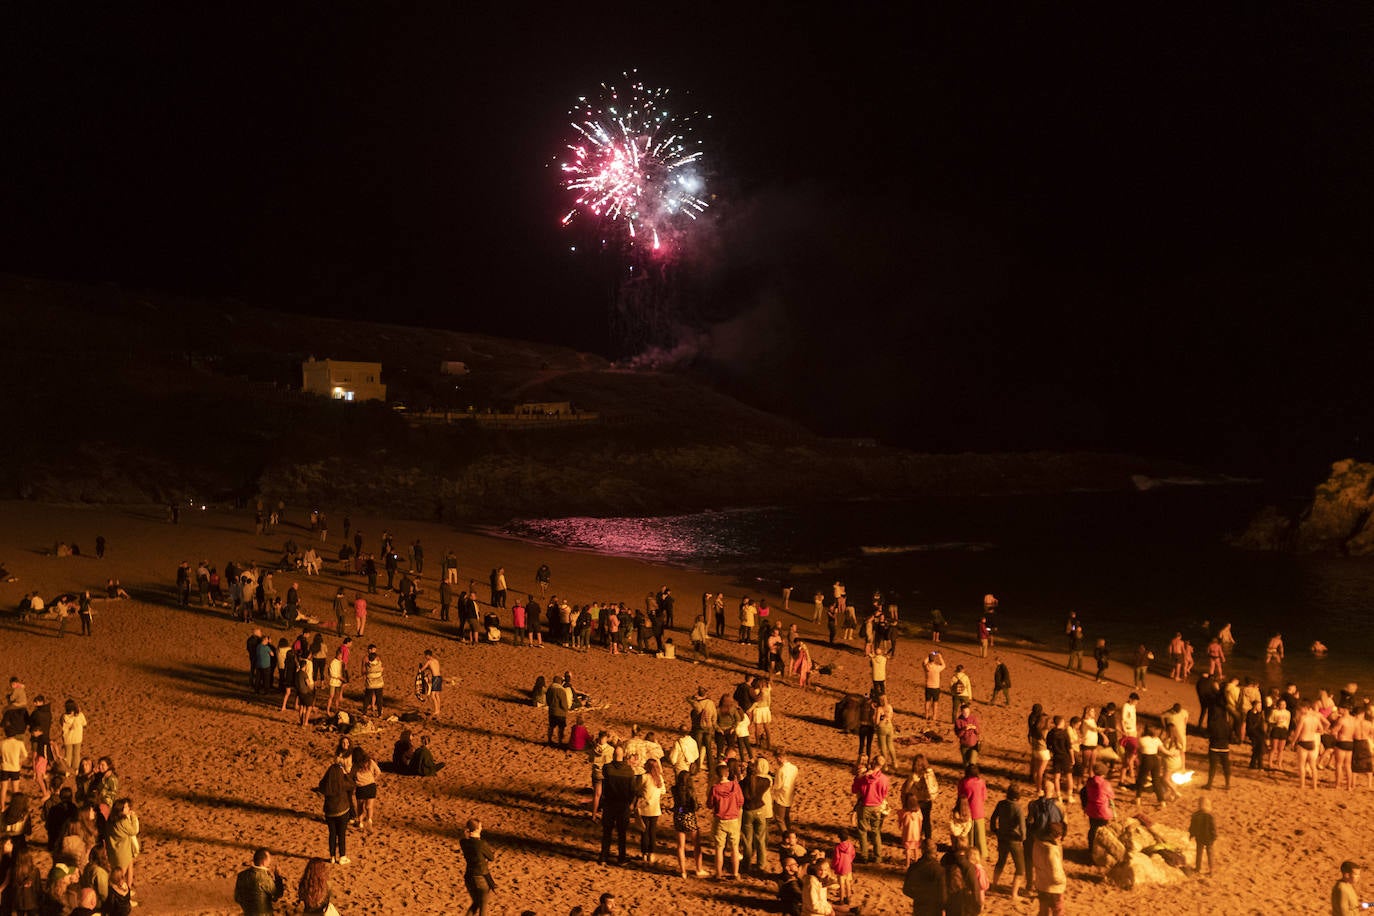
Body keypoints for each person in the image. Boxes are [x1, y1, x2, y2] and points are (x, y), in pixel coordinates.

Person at [988, 785, 1026, 900]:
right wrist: (1023, 838)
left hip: (1002, 838)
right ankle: (1014, 894)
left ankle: (994, 886)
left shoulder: (1001, 804)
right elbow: (1022, 827)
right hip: (1014, 840)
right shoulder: (1018, 808)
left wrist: (994, 830)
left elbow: (993, 818)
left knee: (1001, 861)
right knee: (1020, 868)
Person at [600, 747, 635, 866]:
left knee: (607, 832)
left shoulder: (607, 768)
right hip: (623, 805)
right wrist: (630, 803)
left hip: (610, 803)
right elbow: (632, 790)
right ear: (623, 755)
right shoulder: (629, 771)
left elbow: (603, 783)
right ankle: (621, 858)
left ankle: (603, 857)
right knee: (622, 833)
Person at [708, 762, 744, 879]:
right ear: (727, 773)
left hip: (720, 820)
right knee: (734, 847)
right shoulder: (735, 786)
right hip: (733, 819)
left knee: (719, 848)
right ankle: (735, 873)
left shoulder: (715, 788)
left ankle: (718, 873)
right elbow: (741, 801)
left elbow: (710, 804)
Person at [851, 756, 890, 863]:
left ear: (873, 762)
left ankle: (864, 856)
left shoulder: (863, 778)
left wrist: (857, 778)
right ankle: (878, 857)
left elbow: (854, 789)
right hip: (877, 806)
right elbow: (884, 794)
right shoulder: (884, 779)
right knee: (876, 831)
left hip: (865, 806)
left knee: (862, 831)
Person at [317, 758, 354, 865]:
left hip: (329, 812)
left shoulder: (326, 784)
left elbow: (321, 786)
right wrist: (346, 774)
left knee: (332, 834)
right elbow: (352, 784)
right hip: (342, 811)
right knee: (341, 834)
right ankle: (342, 856)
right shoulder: (342, 783)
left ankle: (332, 856)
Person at [670, 769, 705, 879]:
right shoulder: (690, 791)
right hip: (689, 817)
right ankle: (699, 869)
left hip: (678, 816)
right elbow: (693, 806)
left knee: (681, 846)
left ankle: (683, 871)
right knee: (696, 845)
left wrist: (679, 809)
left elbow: (679, 805)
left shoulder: (674, 789)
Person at [460, 817, 496, 916]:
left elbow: (466, 839)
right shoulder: (481, 844)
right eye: (480, 826)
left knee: (476, 903)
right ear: (476, 829)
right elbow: (491, 857)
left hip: (469, 877)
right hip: (481, 878)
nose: (481, 828)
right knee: (483, 906)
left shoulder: (463, 842)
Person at [235, 847, 286, 915]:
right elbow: (278, 893)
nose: (270, 861)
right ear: (264, 862)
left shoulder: (241, 875)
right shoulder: (264, 878)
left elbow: (237, 898)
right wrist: (278, 877)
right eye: (269, 859)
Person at [903, 837, 946, 916]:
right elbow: (943, 894)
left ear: (922, 850)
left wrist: (919, 896)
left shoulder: (914, 867)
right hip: (934, 909)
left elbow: (906, 889)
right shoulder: (939, 870)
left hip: (919, 908)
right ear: (935, 850)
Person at [106, 797, 140, 896]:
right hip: (123, 852)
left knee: (130, 868)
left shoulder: (111, 820)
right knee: (120, 877)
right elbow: (133, 830)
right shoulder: (122, 821)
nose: (128, 808)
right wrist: (133, 818)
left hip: (117, 850)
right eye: (126, 807)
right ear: (120, 810)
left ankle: (128, 891)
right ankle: (122, 896)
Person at [1032, 822, 1067, 915]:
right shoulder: (1051, 850)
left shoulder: (1037, 844)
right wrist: (1062, 881)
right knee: (1058, 910)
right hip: (1053, 888)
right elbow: (1055, 873)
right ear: (1054, 835)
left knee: (1043, 911)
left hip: (1041, 884)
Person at [772, 749, 799, 834]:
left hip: (781, 797)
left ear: (779, 758)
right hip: (790, 796)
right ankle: (790, 833)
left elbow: (777, 786)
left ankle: (786, 836)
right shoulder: (794, 768)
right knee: (786, 818)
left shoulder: (781, 770)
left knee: (779, 818)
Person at [1188, 796, 1217, 875]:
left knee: (1199, 853)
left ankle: (1198, 868)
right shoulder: (1210, 816)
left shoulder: (1196, 815)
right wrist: (1214, 836)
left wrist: (1191, 834)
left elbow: (1192, 826)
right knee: (1210, 854)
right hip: (1209, 838)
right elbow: (1213, 827)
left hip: (1199, 837)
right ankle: (1211, 870)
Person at [922, 651, 945, 722]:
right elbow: (944, 665)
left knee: (927, 701)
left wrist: (929, 655)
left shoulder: (926, 667)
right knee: (935, 702)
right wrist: (939, 656)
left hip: (928, 686)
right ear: (934, 660)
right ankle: (934, 716)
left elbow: (924, 662)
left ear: (929, 659)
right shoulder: (937, 668)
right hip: (936, 687)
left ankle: (926, 714)